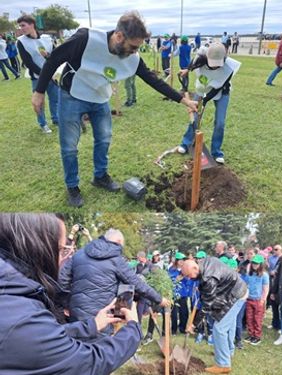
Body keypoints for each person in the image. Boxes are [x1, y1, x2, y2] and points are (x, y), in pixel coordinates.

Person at [31, 12, 197, 207]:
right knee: (69, 146)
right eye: (133, 47)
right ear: (119, 36)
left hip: (100, 99)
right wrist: (39, 91)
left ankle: (100, 176)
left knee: (104, 139)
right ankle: (72, 187)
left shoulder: (132, 57)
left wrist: (182, 100)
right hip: (72, 96)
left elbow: (153, 79)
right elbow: (54, 59)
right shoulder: (86, 39)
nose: (135, 52)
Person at [0, 213, 143, 374]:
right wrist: (133, 329)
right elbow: (87, 363)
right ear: (36, 248)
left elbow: (41, 337)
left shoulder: (12, 296)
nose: (64, 257)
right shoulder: (22, 314)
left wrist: (91, 325)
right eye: (61, 250)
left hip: (80, 313)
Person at [58, 228, 170, 329]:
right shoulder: (116, 260)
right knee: (100, 348)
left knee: (79, 346)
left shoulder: (79, 254)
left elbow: (62, 279)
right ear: (119, 242)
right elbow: (137, 283)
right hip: (103, 317)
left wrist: (66, 304)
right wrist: (159, 299)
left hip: (76, 316)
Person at [182, 256, 248, 374]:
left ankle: (223, 365)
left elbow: (207, 305)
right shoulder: (205, 262)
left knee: (219, 329)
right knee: (224, 325)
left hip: (236, 294)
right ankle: (227, 353)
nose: (189, 278)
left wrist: (193, 324)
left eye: (188, 275)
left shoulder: (208, 278)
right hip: (230, 291)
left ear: (194, 268)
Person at [177, 43, 241, 164]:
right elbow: (193, 62)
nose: (215, 67)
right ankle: (186, 144)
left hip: (222, 92)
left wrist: (203, 101)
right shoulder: (201, 56)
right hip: (202, 89)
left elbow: (216, 89)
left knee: (220, 122)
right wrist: (187, 69)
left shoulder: (229, 68)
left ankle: (216, 152)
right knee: (194, 117)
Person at [243, 254, 269, 345]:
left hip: (258, 300)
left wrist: (263, 299)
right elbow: (245, 286)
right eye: (253, 263)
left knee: (257, 319)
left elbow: (265, 288)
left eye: (257, 263)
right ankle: (251, 334)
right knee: (249, 318)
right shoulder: (248, 274)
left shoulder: (264, 275)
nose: (254, 265)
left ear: (261, 264)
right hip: (249, 299)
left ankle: (257, 336)